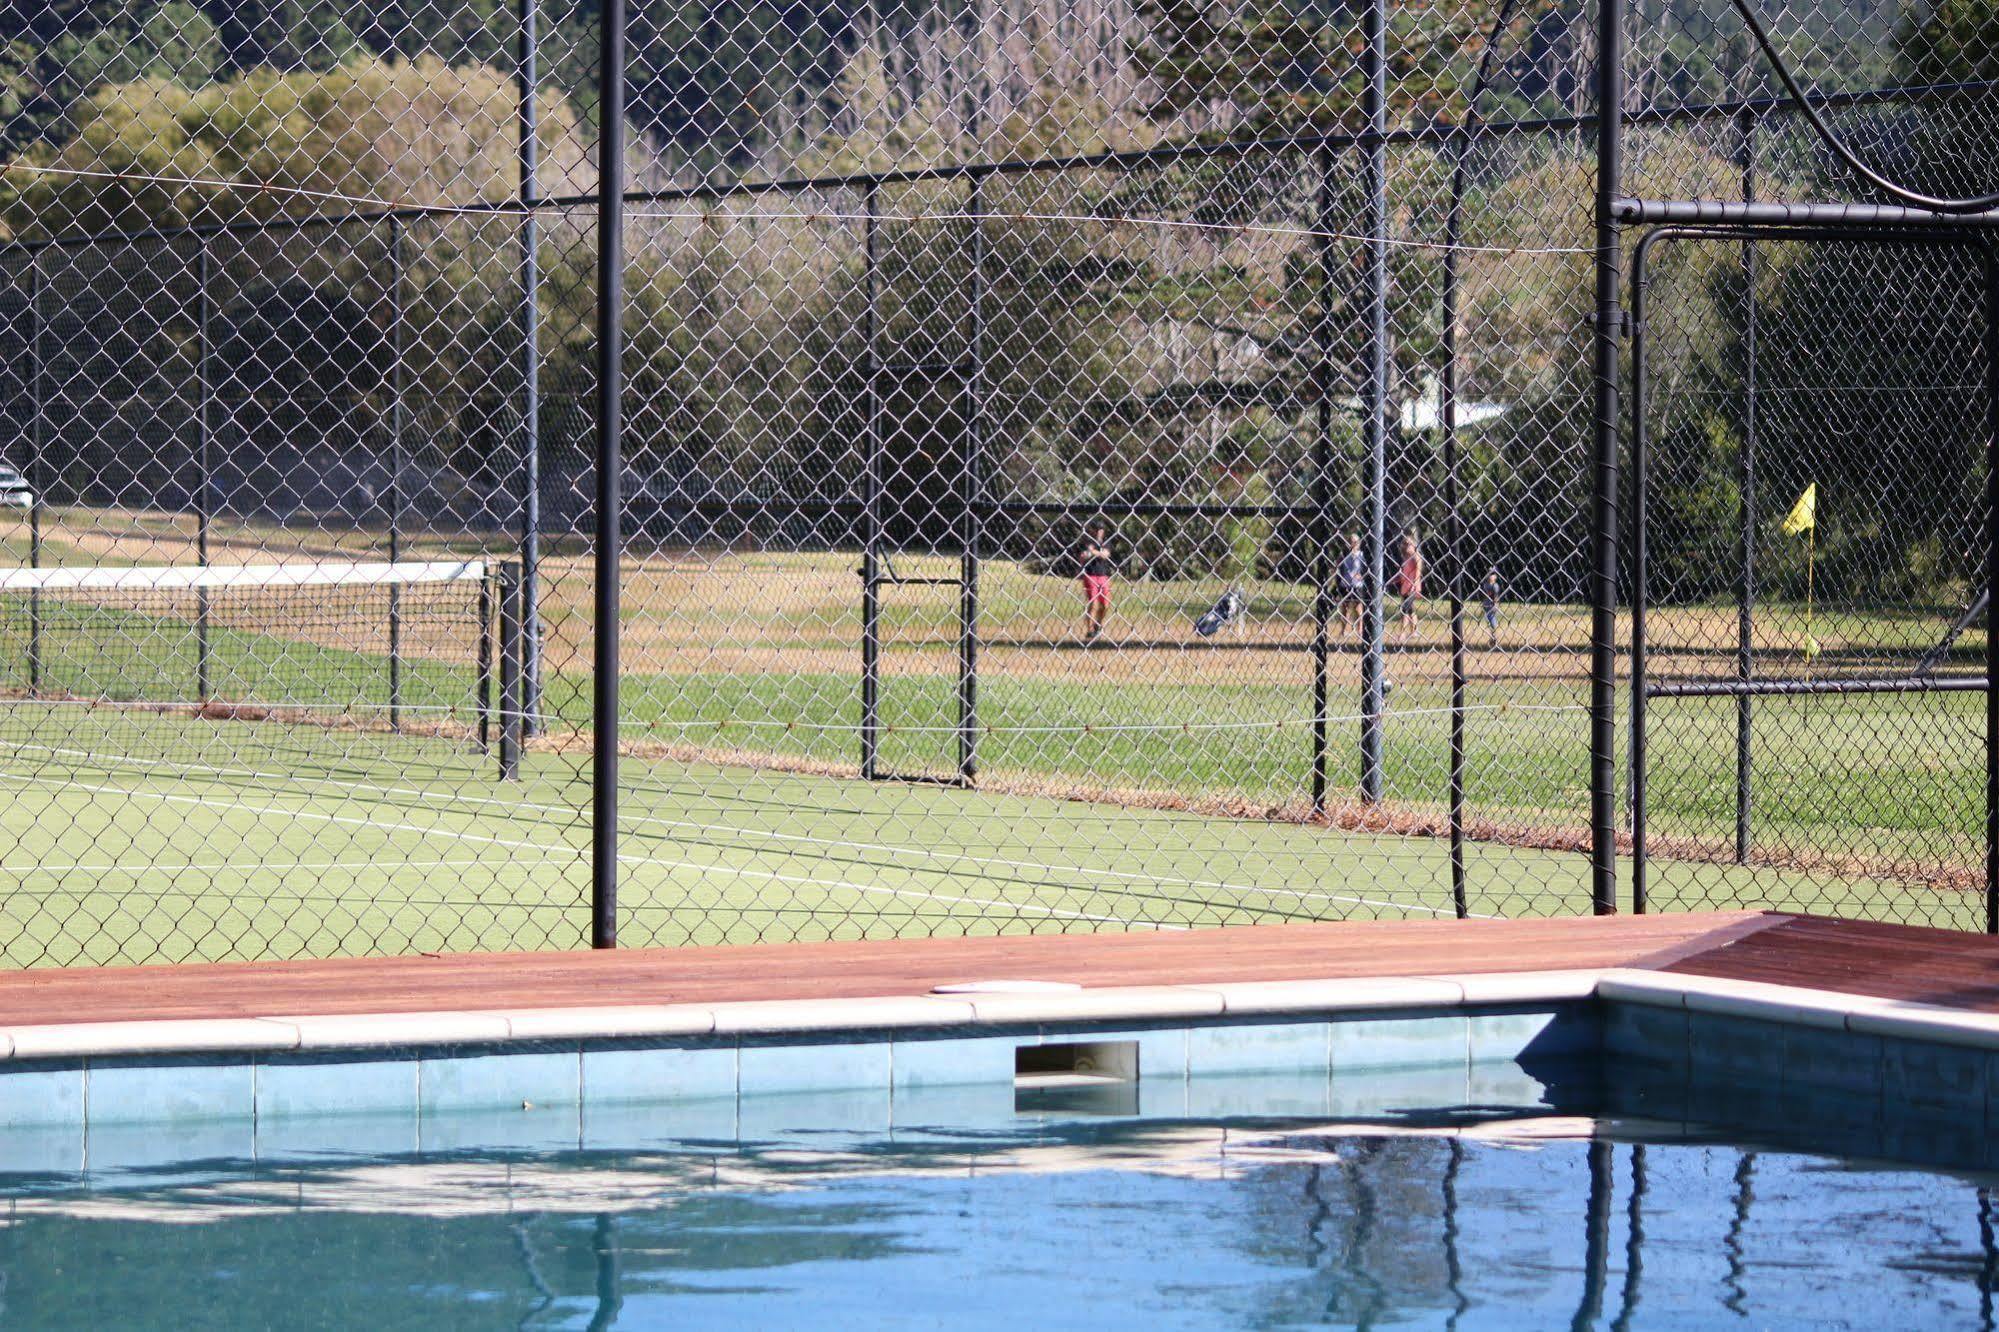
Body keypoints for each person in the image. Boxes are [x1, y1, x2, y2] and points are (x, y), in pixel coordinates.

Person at [1077, 524, 1115, 642]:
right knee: (1093, 603)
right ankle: (1090, 630)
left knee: (1105, 604)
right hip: (1090, 575)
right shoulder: (1087, 542)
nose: (1099, 532)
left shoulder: (1106, 542)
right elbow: (1083, 556)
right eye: (1097, 529)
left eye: (1101, 529)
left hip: (1103, 575)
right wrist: (1094, 552)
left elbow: (1105, 555)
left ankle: (1098, 624)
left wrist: (1093, 552)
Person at [1395, 531, 1423, 642]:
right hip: (1405, 586)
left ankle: (1402, 633)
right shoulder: (1405, 558)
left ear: (1414, 545)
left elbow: (1418, 572)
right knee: (1411, 610)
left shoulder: (1416, 557)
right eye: (1405, 543)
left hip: (1412, 587)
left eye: (1409, 544)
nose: (1406, 546)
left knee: (1405, 610)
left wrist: (1414, 584)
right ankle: (1414, 631)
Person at [1337, 533, 1366, 639]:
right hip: (1345, 584)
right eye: (1351, 541)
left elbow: (1365, 569)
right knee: (1345, 608)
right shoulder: (1344, 554)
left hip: (1357, 585)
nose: (1353, 544)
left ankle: (1360, 630)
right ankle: (1344, 630)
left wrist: (1361, 575)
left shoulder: (1362, 555)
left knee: (1358, 609)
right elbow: (1338, 567)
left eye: (1355, 542)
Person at [1479, 569, 1501, 647]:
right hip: (1486, 605)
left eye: (1492, 574)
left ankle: (1493, 637)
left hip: (1492, 606)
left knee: (1492, 622)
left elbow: (1496, 596)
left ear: (1495, 576)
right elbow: (1483, 595)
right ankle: (1493, 636)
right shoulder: (1485, 585)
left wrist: (1495, 604)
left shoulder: (1495, 585)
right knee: (1488, 622)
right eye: (1489, 574)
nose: (1490, 576)